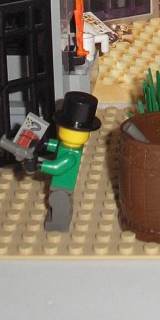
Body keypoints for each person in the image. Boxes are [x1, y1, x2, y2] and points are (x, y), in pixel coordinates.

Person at [25, 91, 101, 232]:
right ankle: (62, 217)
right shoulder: (69, 148)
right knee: (61, 203)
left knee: (58, 202)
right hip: (62, 186)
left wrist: (38, 164)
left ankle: (58, 224)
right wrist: (44, 144)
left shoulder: (71, 155)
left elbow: (56, 168)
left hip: (62, 186)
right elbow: (56, 146)